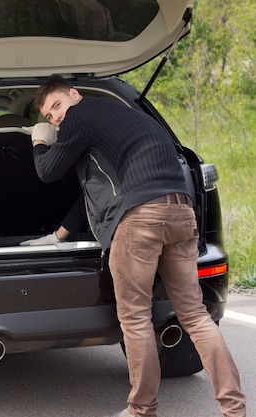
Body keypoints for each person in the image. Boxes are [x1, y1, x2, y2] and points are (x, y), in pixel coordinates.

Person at [30, 74, 246, 417]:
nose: (57, 118)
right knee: (195, 315)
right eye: (50, 118)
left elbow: (48, 171)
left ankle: (141, 410)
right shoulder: (128, 113)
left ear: (74, 94)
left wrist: (40, 139)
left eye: (57, 107)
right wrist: (59, 235)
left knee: (135, 318)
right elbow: (95, 189)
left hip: (141, 220)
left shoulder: (80, 115)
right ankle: (234, 409)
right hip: (182, 213)